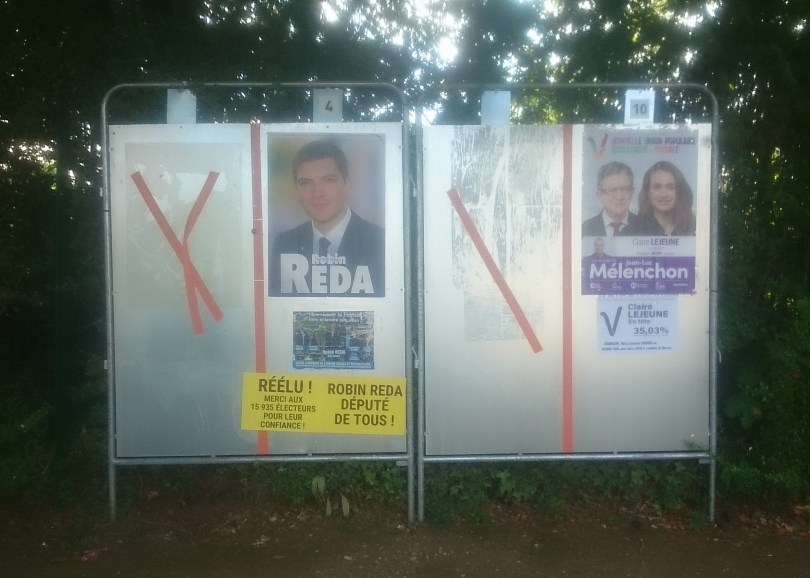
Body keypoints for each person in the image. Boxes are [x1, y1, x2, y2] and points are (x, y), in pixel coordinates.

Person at [269, 139, 385, 296]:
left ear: (347, 185)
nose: (317, 193)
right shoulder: (285, 244)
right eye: (305, 183)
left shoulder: (379, 242)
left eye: (328, 180)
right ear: (296, 191)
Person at [636, 161, 696, 236]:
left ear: (679, 191)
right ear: (647, 192)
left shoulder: (694, 230)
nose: (663, 194)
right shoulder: (633, 230)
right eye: (657, 187)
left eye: (670, 187)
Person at [582, 161, 638, 237]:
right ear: (599, 195)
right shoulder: (585, 229)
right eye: (612, 190)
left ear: (632, 192)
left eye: (625, 189)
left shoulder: (647, 228)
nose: (619, 197)